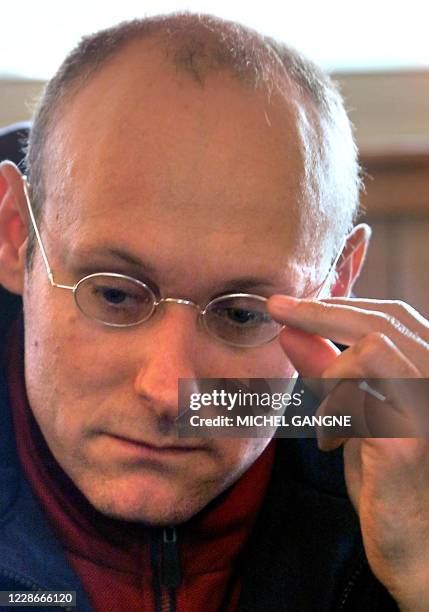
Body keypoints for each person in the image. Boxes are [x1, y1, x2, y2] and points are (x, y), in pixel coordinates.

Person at [0, 13, 427, 612]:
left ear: (337, 285)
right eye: (115, 294)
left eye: (243, 314)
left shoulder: (401, 484)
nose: (170, 392)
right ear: (17, 236)